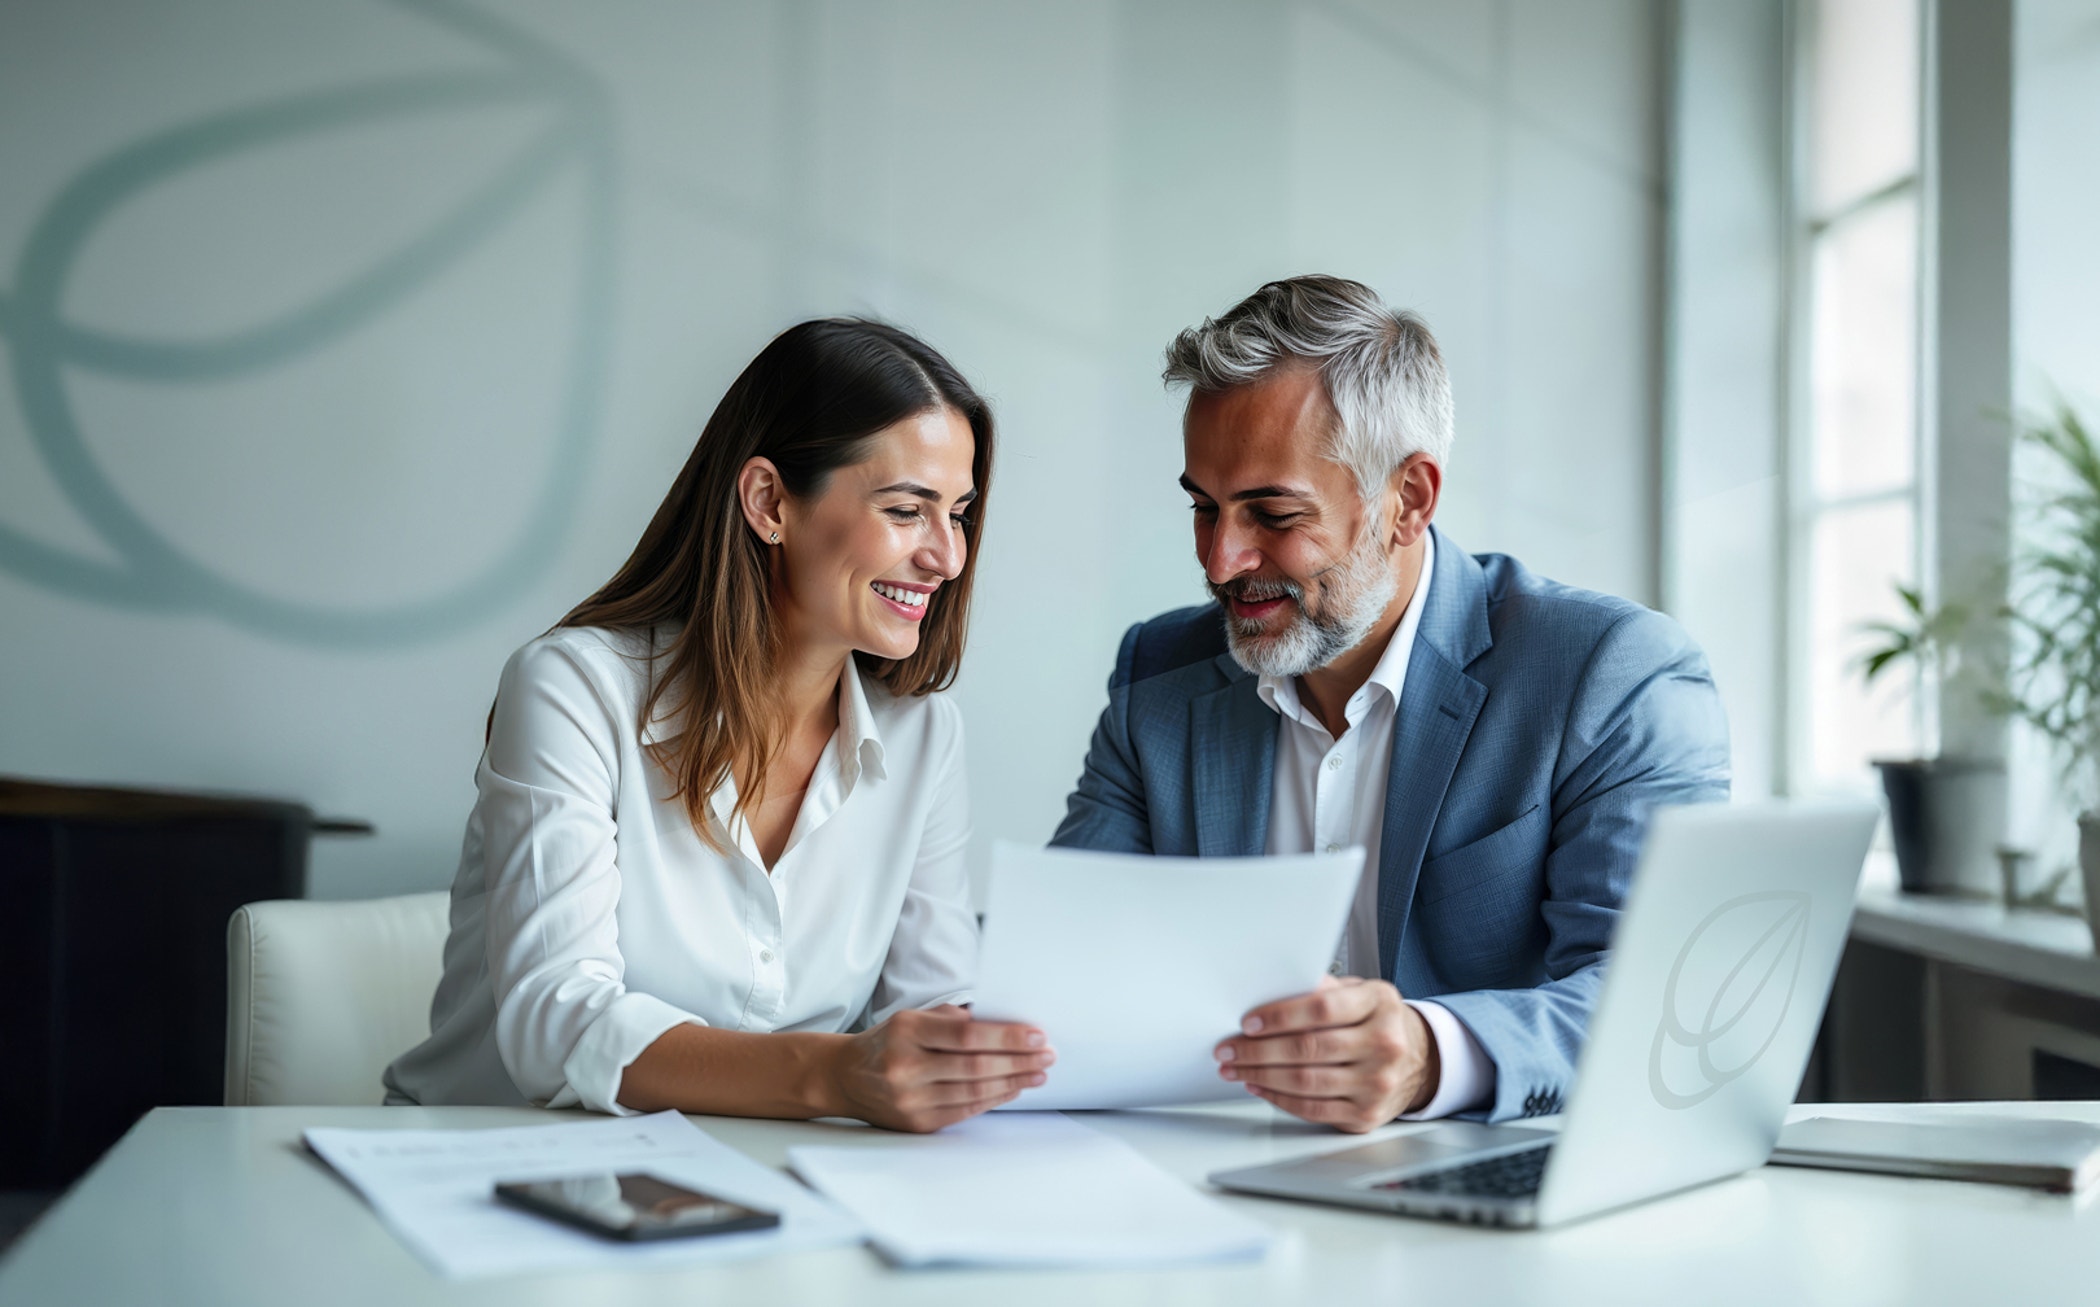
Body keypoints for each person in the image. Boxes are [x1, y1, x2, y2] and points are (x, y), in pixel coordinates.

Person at [1052, 276, 1730, 1131]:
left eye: (1272, 512)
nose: (1222, 560)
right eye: (1205, 507)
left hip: (1493, 1202)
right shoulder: (1159, 677)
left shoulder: (1609, 673)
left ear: (1408, 499)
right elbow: (1066, 969)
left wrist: (1431, 1052)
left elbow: (1658, 997)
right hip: (1215, 1177)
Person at [385, 319, 1053, 1132]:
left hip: (738, 1191)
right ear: (771, 502)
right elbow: (557, 1022)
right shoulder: (572, 689)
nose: (947, 557)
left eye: (960, 513)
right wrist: (837, 1074)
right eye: (908, 509)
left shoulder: (922, 738)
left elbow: (933, 1007)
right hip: (482, 1170)